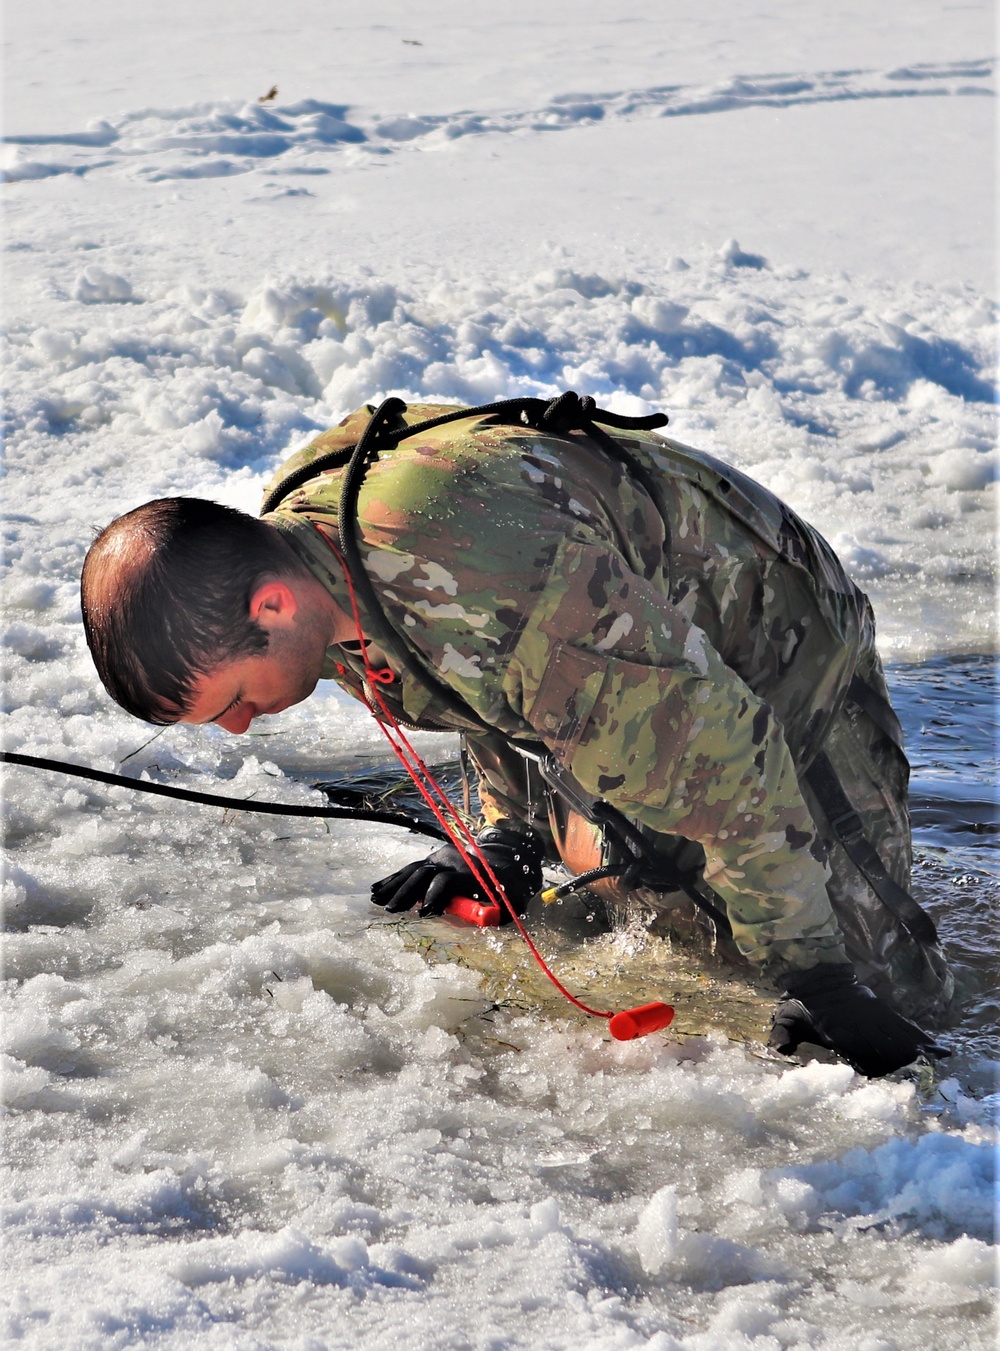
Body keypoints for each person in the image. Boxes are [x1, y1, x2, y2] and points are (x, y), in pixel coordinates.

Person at [80, 392, 952, 1077]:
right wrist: (505, 830)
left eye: (232, 697)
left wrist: (815, 972)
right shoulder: (303, 568)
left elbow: (730, 768)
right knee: (636, 892)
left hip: (773, 639)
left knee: (873, 986)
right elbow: (468, 675)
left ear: (271, 605)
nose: (239, 725)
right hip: (616, 639)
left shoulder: (491, 581)